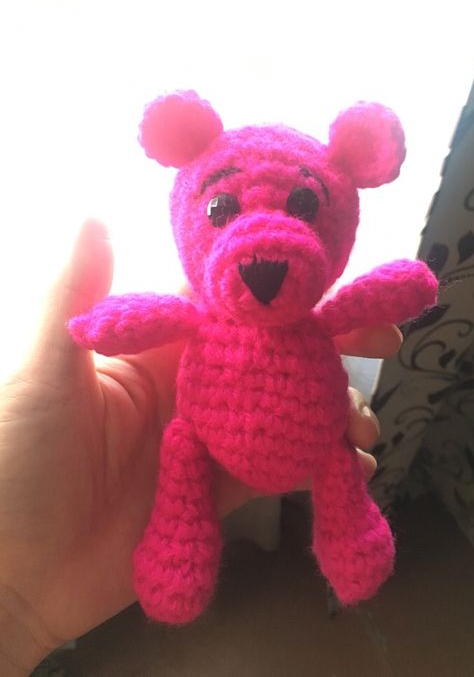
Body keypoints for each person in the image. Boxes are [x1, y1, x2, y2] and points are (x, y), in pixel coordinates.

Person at [0, 219, 403, 676]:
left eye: (304, 205)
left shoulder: (317, 321)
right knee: (184, 448)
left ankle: (348, 529)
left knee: (336, 451)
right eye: (221, 207)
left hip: (318, 437)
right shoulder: (199, 320)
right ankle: (177, 541)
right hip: (205, 436)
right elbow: (148, 318)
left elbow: (370, 299)